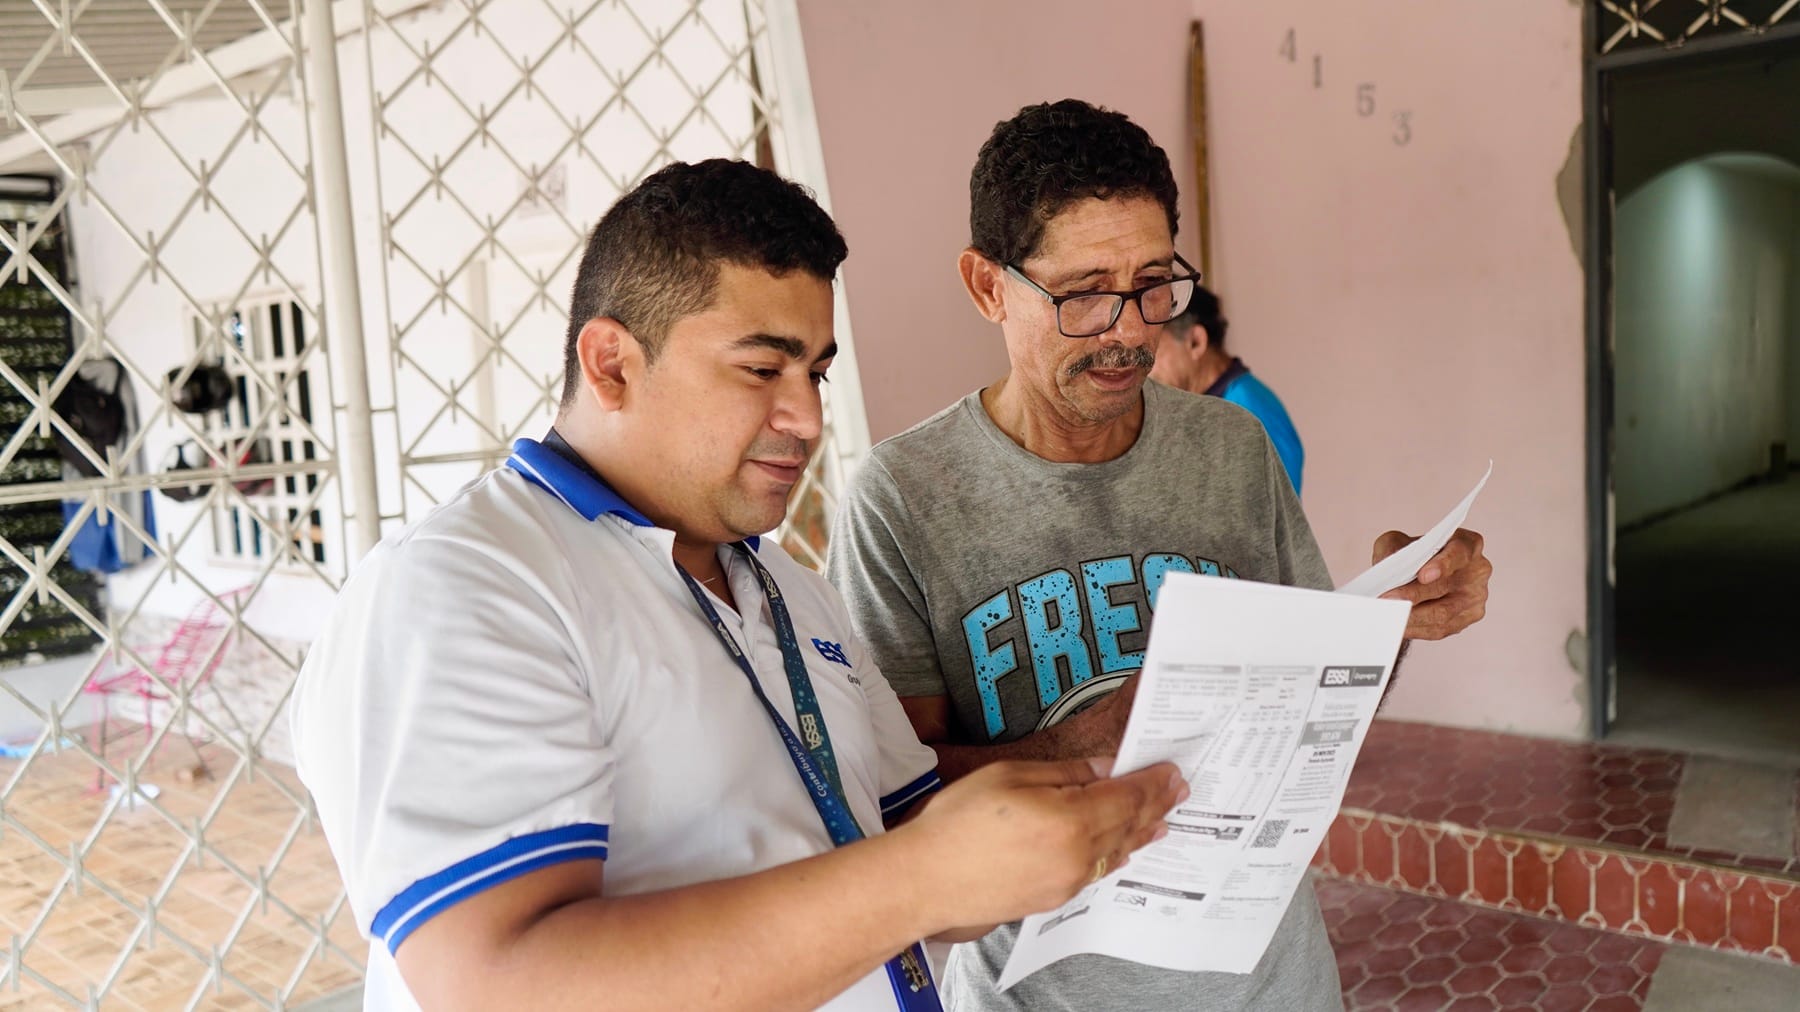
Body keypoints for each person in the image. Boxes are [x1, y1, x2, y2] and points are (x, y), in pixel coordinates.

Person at [290, 158, 1185, 1012]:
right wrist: (926, 877)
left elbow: (909, 838)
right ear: (611, 364)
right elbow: (503, 982)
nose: (806, 417)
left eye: (817, 372)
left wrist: (1097, 790)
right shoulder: (468, 589)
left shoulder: (788, 593)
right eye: (762, 369)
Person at [827, 100, 1492, 1011]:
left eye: (1152, 283)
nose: (1130, 328)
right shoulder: (903, 499)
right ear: (987, 287)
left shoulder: (1232, 451)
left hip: (1276, 981)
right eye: (1085, 291)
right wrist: (1095, 737)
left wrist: (1390, 616)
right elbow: (893, 807)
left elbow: (1319, 712)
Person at [1151, 285, 1305, 493]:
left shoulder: (1244, 413)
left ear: (1196, 342)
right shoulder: (1214, 406)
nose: (1144, 366)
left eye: (1154, 348)